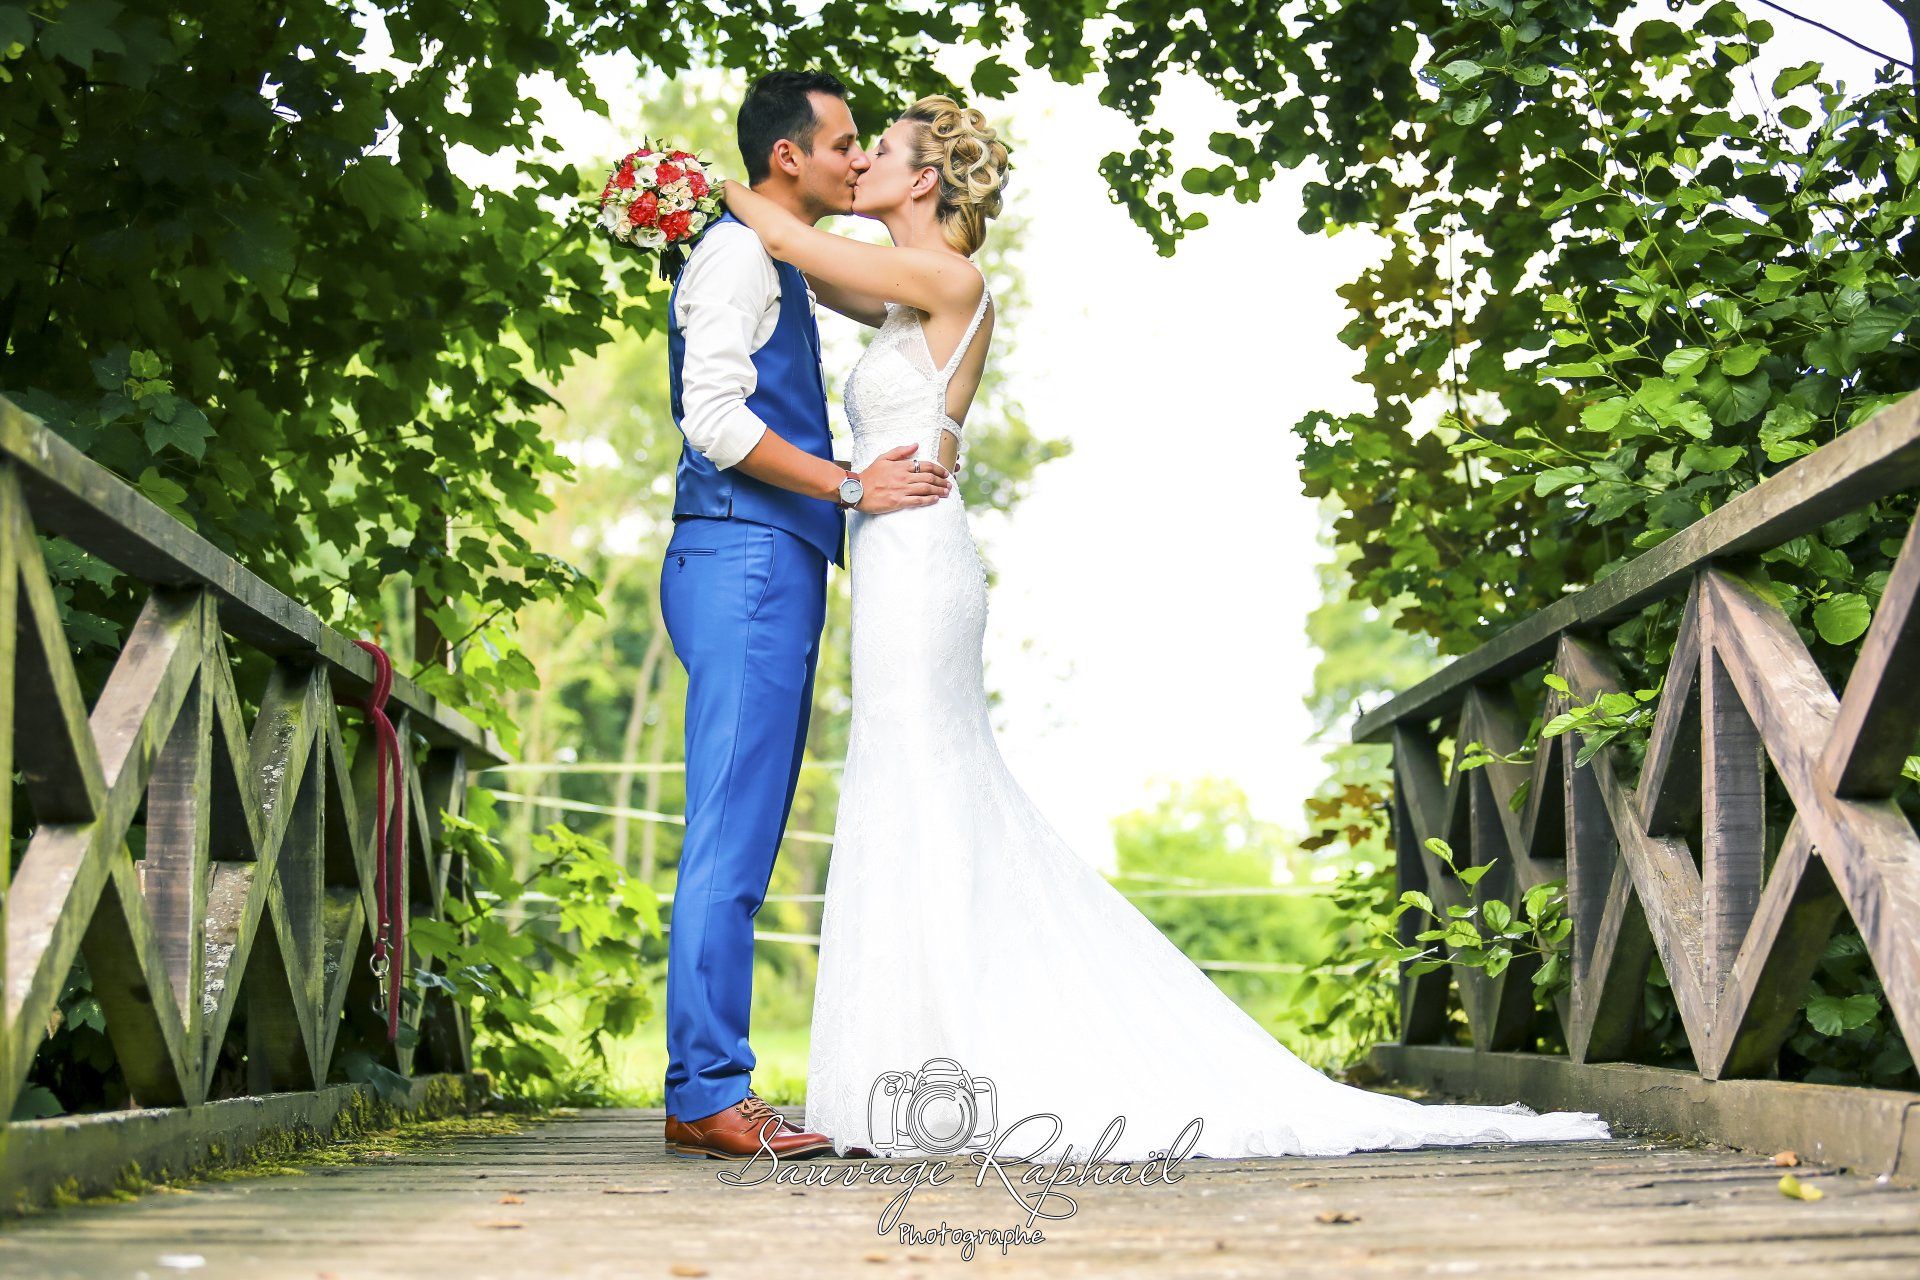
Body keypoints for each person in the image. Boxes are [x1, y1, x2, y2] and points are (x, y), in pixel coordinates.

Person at [717, 93, 1613, 1163]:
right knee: (903, 777)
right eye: (847, 153)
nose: (855, 165)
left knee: (918, 773)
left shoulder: (946, 280)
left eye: (880, 154)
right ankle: (918, 1058)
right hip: (898, 552)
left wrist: (693, 187)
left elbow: (782, 234)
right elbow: (805, 265)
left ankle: (948, 1058)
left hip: (919, 560)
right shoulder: (902, 301)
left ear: (922, 181)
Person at [658, 70, 954, 1162]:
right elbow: (715, 422)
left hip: (771, 558)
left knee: (747, 826)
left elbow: (900, 294)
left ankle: (709, 1082)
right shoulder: (740, 254)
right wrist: (844, 484)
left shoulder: (774, 244)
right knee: (728, 830)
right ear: (791, 155)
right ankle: (707, 1089)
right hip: (744, 552)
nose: (853, 158)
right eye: (840, 143)